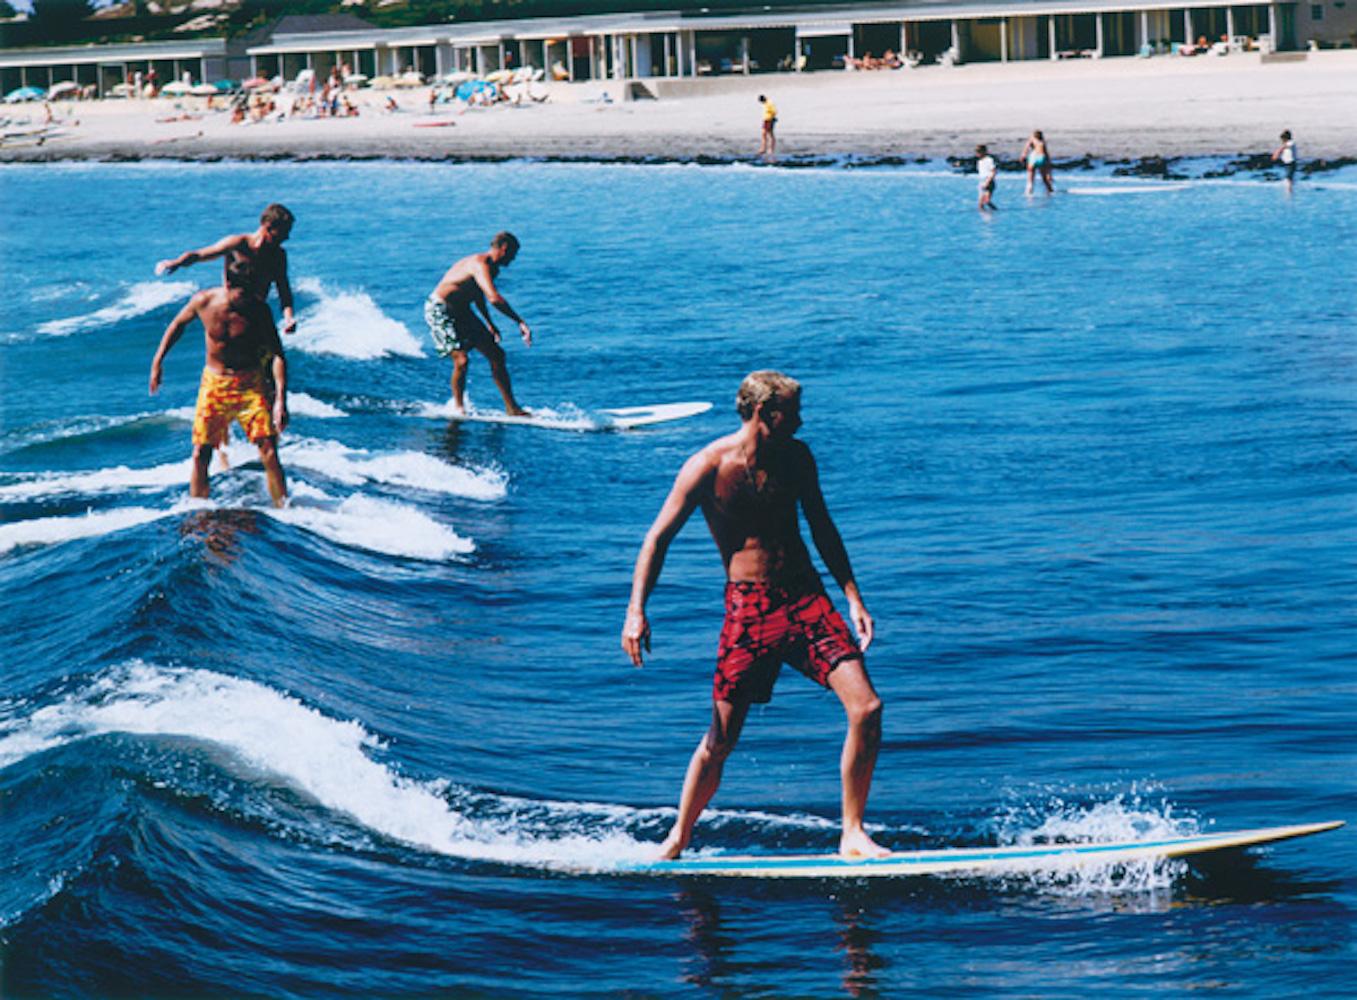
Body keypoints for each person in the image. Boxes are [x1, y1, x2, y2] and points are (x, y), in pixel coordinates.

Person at [622, 371, 887, 861]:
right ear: (766, 414)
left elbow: (823, 527)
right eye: (794, 411)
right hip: (749, 610)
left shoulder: (798, 458)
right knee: (721, 740)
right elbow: (657, 538)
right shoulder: (706, 466)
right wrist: (636, 610)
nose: (802, 420)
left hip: (807, 600)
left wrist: (853, 597)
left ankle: (852, 832)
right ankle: (678, 838)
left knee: (867, 708)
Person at [149, 258, 289, 507]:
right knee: (201, 452)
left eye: (250, 292)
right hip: (214, 384)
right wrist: (158, 362)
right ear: (228, 284)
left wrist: (280, 400)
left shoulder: (259, 309)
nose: (246, 299)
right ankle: (197, 508)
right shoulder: (204, 302)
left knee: (268, 448)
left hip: (250, 384)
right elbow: (177, 325)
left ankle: (285, 508)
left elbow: (277, 354)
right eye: (241, 293)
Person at [424, 231, 533, 415]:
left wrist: (489, 323)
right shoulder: (479, 264)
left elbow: (477, 294)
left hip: (463, 311)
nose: (514, 259)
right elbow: (493, 298)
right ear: (505, 249)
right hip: (441, 309)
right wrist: (519, 321)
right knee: (462, 359)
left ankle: (512, 408)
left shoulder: (493, 269)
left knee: (497, 355)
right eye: (513, 254)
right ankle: (458, 409)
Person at [156, 203, 297, 335]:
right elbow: (201, 255)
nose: (287, 237)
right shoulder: (238, 244)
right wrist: (177, 262)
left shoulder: (278, 256)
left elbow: (284, 291)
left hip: (256, 314)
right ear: (268, 226)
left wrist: (288, 317)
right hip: (229, 310)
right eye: (284, 231)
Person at [1019, 129, 1055, 195]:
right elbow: (1046, 153)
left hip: (1034, 158)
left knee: (1030, 178)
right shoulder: (1042, 142)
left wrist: (1023, 156)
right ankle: (1050, 191)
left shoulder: (1032, 139)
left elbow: (1026, 149)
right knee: (1044, 178)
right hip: (1042, 158)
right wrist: (1049, 169)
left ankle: (1029, 192)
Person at [976, 144, 998, 211]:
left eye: (979, 151)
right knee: (980, 205)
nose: (977, 153)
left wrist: (988, 182)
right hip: (982, 181)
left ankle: (995, 211)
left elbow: (993, 171)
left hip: (989, 181)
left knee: (987, 201)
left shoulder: (989, 160)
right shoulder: (979, 161)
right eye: (977, 152)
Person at [758, 94, 777, 159]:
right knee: (764, 134)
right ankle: (764, 148)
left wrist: (771, 117)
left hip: (769, 120)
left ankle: (770, 149)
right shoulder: (766, 103)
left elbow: (774, 111)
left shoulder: (769, 103)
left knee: (770, 134)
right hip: (766, 120)